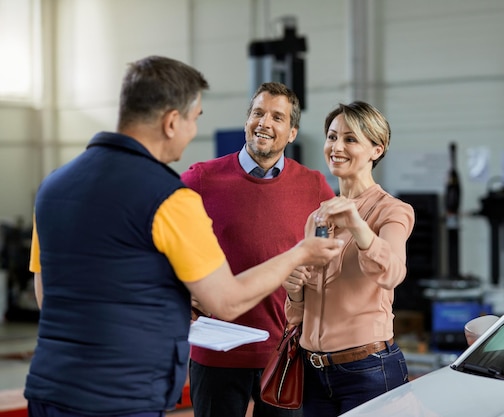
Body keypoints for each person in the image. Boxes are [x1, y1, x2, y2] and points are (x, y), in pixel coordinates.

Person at [24, 56, 343, 417]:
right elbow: (225, 301)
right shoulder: (171, 196)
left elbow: (46, 296)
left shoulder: (52, 186)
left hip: (50, 387)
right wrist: (301, 254)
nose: (194, 131)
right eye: (195, 119)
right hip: (124, 393)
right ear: (172, 121)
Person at [181, 82, 336, 417]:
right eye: (258, 113)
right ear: (247, 121)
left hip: (283, 353)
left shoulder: (313, 185)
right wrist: (178, 287)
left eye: (277, 117)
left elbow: (337, 253)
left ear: (292, 131)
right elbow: (160, 238)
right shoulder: (201, 179)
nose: (265, 122)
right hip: (216, 352)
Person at [284, 101, 416, 416]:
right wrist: (294, 289)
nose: (336, 146)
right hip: (314, 372)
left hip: (368, 371)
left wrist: (357, 223)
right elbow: (298, 314)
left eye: (350, 139)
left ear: (376, 149)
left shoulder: (392, 211)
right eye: (332, 137)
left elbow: (392, 273)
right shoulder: (318, 216)